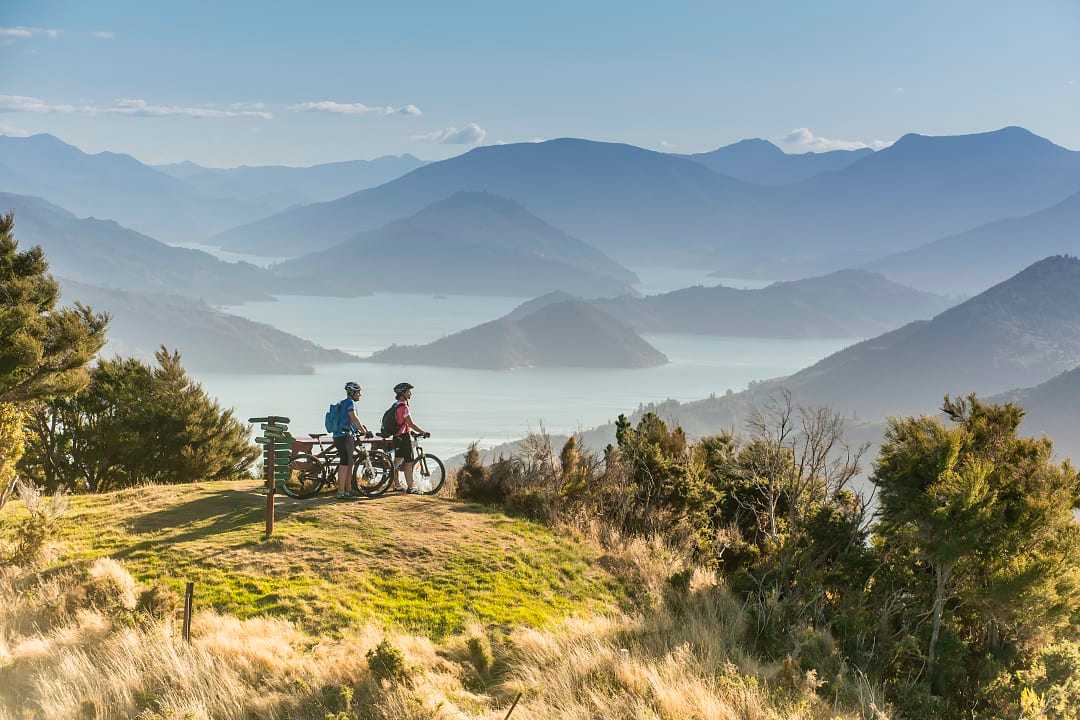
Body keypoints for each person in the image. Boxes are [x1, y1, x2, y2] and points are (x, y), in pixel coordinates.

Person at [390, 382, 429, 493]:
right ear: (402, 393)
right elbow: (410, 423)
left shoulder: (396, 405)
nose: (410, 393)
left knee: (396, 463)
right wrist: (423, 432)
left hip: (396, 437)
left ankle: (396, 485)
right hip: (404, 437)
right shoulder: (404, 406)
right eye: (408, 391)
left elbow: (401, 423)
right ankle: (411, 488)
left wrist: (410, 430)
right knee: (409, 462)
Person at [333, 381, 369, 499]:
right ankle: (341, 492)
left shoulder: (343, 403)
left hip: (341, 435)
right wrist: (364, 431)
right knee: (344, 463)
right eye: (358, 392)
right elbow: (354, 418)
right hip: (345, 436)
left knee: (349, 463)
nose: (360, 395)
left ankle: (347, 490)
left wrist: (359, 429)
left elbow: (349, 421)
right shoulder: (350, 403)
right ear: (353, 392)